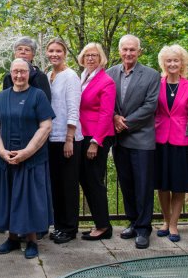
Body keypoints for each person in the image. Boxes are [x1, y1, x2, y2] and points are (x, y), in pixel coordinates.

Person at [0, 59, 55, 259]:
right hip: (6, 158)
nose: (19, 76)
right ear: (10, 73)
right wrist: (1, 150)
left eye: (23, 72)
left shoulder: (38, 95)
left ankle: (32, 240)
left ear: (29, 73)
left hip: (31, 158)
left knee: (30, 200)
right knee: (9, 197)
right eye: (15, 72)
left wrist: (27, 152)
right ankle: (12, 239)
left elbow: (46, 126)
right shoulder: (2, 97)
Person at [107, 34, 160, 249]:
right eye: (125, 49)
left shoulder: (151, 75)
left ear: (139, 51)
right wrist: (113, 118)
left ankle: (144, 228)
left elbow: (150, 106)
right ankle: (133, 221)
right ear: (119, 51)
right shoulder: (110, 74)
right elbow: (106, 102)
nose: (128, 53)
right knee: (127, 184)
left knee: (143, 185)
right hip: (119, 141)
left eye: (132, 49)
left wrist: (124, 122)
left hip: (141, 140)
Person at [153, 44, 188, 243]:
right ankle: (164, 220)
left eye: (176, 60)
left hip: (182, 140)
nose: (172, 64)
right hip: (160, 138)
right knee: (162, 184)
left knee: (178, 185)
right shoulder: (157, 83)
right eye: (169, 60)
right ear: (163, 63)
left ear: (182, 63)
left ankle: (174, 224)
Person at [44, 38, 83, 244]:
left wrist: (69, 137)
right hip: (50, 137)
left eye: (58, 51)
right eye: (51, 51)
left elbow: (73, 107)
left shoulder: (71, 76)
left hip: (67, 137)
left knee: (68, 185)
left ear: (65, 53)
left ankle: (69, 228)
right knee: (56, 185)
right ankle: (59, 226)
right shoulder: (48, 75)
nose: (54, 54)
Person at [76, 43, 116, 241]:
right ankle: (99, 222)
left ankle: (103, 226)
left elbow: (107, 114)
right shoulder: (83, 77)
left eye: (95, 55)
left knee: (94, 182)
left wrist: (95, 142)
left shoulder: (106, 81)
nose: (90, 58)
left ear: (101, 59)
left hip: (96, 136)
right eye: (87, 55)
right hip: (83, 134)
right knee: (86, 180)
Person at [1, 36, 51, 101]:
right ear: (15, 54)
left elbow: (46, 103)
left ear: (33, 55)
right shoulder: (8, 77)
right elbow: (4, 102)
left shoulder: (41, 77)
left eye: (27, 50)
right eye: (19, 49)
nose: (23, 52)